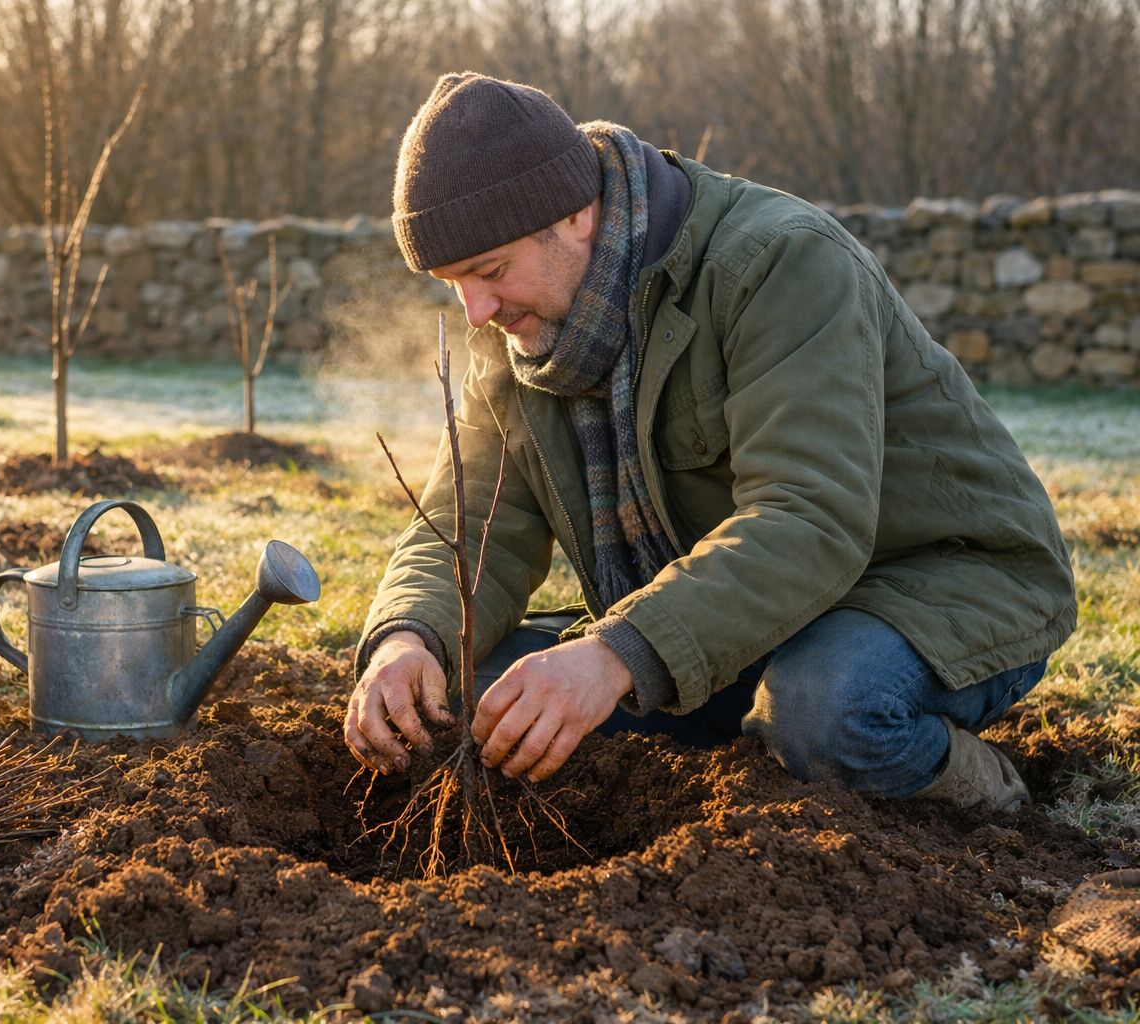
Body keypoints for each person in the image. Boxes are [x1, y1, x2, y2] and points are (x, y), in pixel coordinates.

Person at [343, 72, 1076, 813]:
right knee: (481, 695)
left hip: (939, 578)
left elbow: (809, 518)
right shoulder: (519, 334)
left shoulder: (779, 262)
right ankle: (750, 744)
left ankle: (990, 792)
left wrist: (615, 654)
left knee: (826, 714)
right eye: (452, 283)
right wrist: (408, 639)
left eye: (489, 272)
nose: (476, 312)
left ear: (573, 217)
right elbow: (473, 526)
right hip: (755, 606)